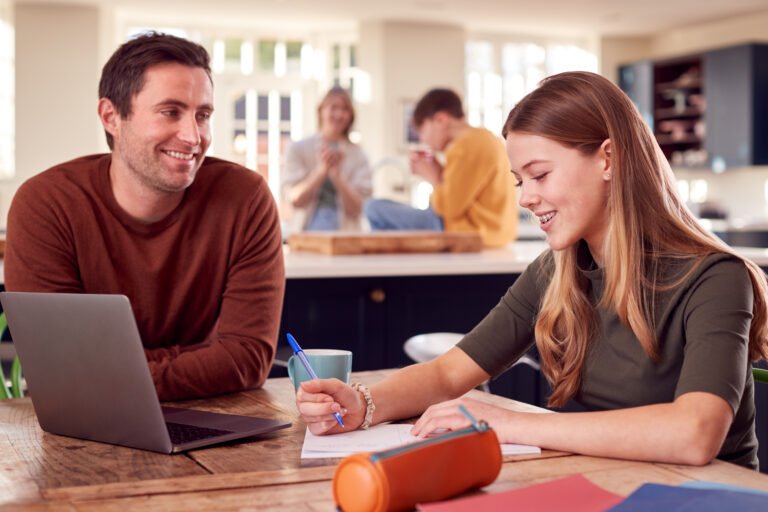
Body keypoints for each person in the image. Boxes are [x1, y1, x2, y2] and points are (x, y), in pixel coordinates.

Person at [296, 71, 768, 469]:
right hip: (608, 483)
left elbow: (695, 433)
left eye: (540, 175)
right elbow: (447, 373)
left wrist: (508, 421)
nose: (525, 198)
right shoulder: (558, 271)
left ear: (608, 158)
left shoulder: (715, 277)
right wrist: (364, 402)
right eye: (520, 181)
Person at [4, 32, 285, 401]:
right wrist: (202, 361)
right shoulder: (46, 204)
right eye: (170, 112)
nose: (193, 136)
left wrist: (113, 371)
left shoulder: (246, 198)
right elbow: (60, 369)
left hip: (212, 416)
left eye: (202, 115)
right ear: (111, 117)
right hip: (88, 424)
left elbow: (246, 359)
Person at [363, 88, 517, 247]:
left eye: (422, 131)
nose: (423, 139)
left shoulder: (468, 144)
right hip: (488, 232)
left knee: (373, 207)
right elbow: (461, 196)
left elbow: (447, 208)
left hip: (467, 231)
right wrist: (439, 172)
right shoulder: (481, 139)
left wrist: (432, 176)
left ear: (440, 120)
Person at [282, 87, 372, 232]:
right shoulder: (298, 149)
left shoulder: (359, 155)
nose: (339, 114)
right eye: (333, 107)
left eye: (345, 109)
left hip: (346, 236)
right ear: (321, 110)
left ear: (351, 115)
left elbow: (360, 208)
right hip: (305, 234)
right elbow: (294, 199)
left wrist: (337, 176)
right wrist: (322, 171)